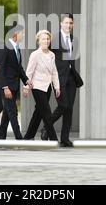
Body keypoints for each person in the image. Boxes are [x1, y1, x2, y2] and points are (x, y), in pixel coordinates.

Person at [40, 13, 84, 147]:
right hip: (58, 78)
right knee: (63, 105)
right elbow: (46, 56)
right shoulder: (53, 39)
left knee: (69, 108)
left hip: (71, 77)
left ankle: (65, 138)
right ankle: (46, 127)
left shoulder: (73, 39)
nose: (69, 25)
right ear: (61, 23)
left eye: (71, 23)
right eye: (66, 23)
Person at [23, 30, 61, 142]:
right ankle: (54, 139)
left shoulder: (52, 55)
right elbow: (29, 72)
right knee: (47, 112)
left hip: (47, 87)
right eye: (43, 39)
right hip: (37, 86)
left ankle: (28, 136)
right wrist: (26, 87)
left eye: (48, 39)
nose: (46, 41)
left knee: (38, 112)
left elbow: (54, 72)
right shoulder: (35, 54)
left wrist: (56, 87)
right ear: (39, 41)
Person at [0, 24, 32, 139]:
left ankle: (1, 138)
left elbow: (19, 68)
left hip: (14, 85)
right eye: (22, 33)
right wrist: (5, 87)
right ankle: (19, 138)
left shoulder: (17, 48)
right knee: (13, 112)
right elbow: (1, 69)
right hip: (7, 87)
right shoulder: (4, 47)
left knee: (7, 114)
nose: (24, 35)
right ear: (15, 33)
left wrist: (26, 80)